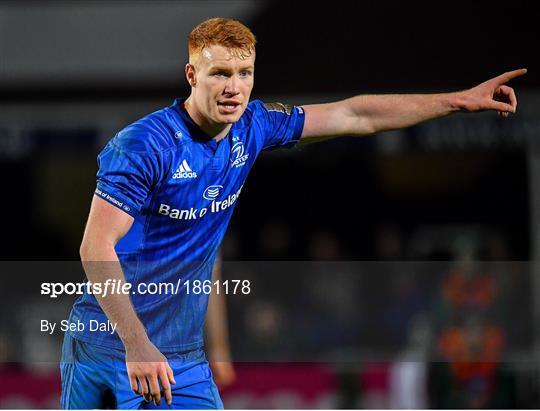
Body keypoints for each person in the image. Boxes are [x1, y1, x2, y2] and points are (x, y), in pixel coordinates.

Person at [60, 16, 526, 409]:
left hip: (178, 355)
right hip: (107, 343)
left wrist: (454, 101)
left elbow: (355, 115)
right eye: (220, 73)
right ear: (191, 75)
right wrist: (136, 345)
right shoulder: (144, 145)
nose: (234, 87)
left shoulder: (254, 126)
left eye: (245, 73)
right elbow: (95, 246)